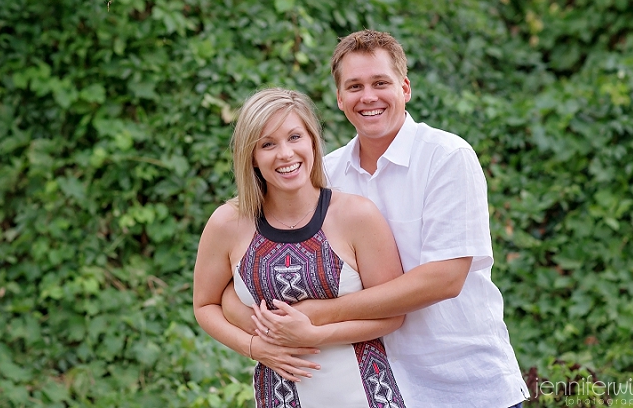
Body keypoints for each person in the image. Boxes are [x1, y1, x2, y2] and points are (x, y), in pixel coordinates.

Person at [225, 30, 530, 408]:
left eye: (380, 83)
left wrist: (318, 316)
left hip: (463, 383)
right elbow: (243, 268)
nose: (368, 97)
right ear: (339, 99)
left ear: (405, 88)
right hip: (374, 389)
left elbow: (446, 277)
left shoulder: (447, 157)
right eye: (354, 86)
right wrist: (262, 334)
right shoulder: (327, 172)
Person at [192, 87, 409, 408]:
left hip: (367, 396)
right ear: (251, 156)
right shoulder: (228, 223)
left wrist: (316, 335)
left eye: (295, 137)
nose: (285, 154)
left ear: (312, 141)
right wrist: (255, 347)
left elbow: (393, 316)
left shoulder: (357, 216)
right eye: (267, 144)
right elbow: (205, 305)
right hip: (277, 397)